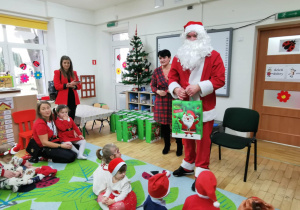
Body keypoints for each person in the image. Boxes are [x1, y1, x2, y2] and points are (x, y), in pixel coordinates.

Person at [168, 21, 225, 191]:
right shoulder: (179, 57)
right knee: (187, 138)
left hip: (204, 105)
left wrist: (199, 86)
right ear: (185, 37)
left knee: (203, 140)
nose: (192, 39)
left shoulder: (213, 55)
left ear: (202, 37)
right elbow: (172, 77)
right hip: (184, 104)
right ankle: (188, 164)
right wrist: (176, 89)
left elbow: (220, 79)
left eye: (195, 35)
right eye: (189, 36)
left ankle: (201, 170)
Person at [150, 49, 183, 156]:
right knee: (164, 125)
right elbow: (152, 86)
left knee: (176, 124)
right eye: (160, 58)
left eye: (164, 57)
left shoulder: (176, 69)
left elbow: (182, 82)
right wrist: (158, 91)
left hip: (175, 99)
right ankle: (167, 145)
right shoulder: (157, 71)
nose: (162, 60)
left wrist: (174, 89)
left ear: (169, 58)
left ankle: (179, 146)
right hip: (161, 100)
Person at [54, 55, 81, 120]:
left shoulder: (74, 72)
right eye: (65, 63)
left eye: (68, 63)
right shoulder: (57, 72)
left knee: (72, 117)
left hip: (73, 99)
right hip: (63, 99)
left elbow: (79, 86)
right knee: (63, 118)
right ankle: (64, 130)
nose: (67, 64)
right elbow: (57, 86)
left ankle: (71, 129)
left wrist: (74, 86)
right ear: (61, 63)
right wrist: (67, 85)